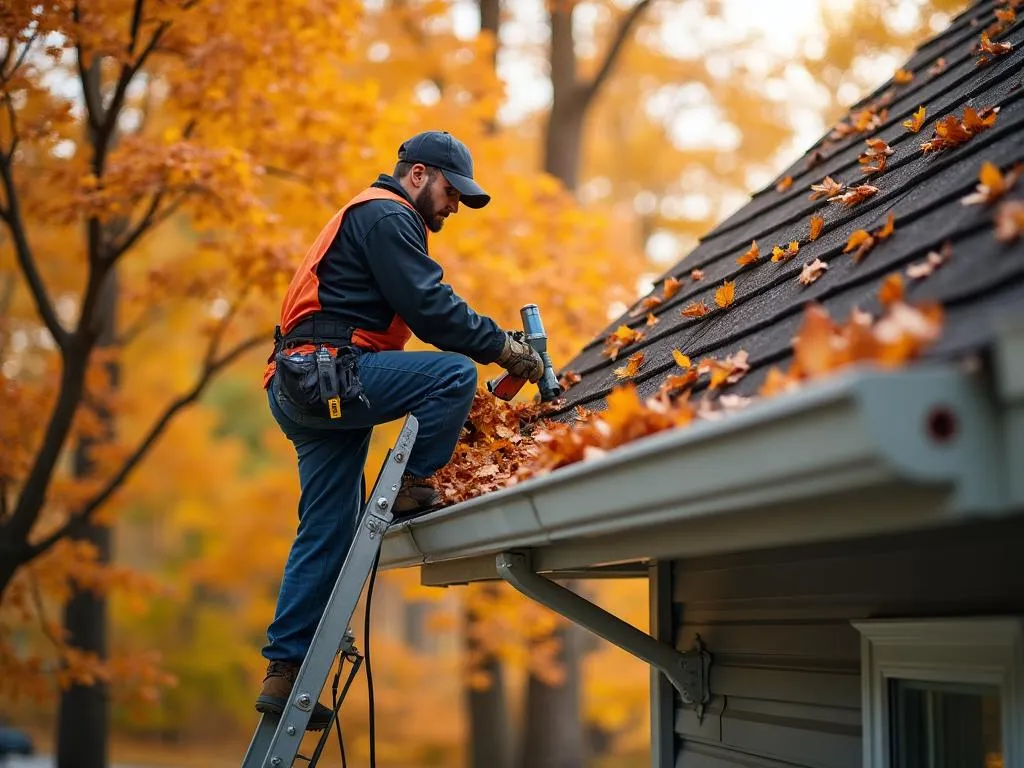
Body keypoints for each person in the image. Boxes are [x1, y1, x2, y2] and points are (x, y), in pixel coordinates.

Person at [255, 130, 544, 729]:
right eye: (450, 191)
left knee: (328, 529)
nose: (454, 206)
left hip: (306, 384)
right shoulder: (387, 214)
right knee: (451, 376)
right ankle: (414, 486)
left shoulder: (366, 218)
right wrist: (505, 349)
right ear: (417, 175)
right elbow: (430, 308)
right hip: (328, 375)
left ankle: (284, 674)